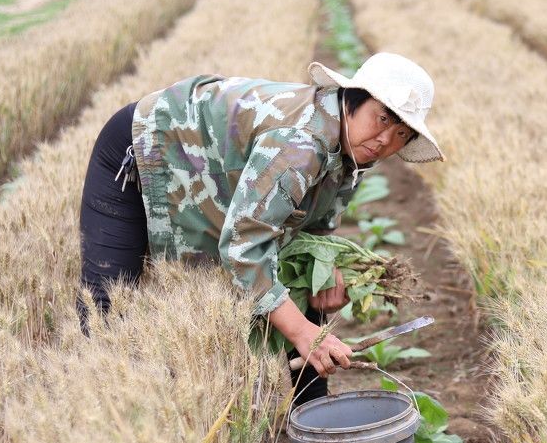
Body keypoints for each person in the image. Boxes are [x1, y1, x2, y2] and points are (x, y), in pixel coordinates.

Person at [77, 53, 444, 405]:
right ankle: (95, 407)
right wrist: (302, 333)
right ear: (352, 100)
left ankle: (313, 411)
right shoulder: (301, 144)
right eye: (382, 119)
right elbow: (242, 245)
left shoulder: (352, 150)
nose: (385, 141)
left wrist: (323, 267)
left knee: (300, 276)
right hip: (144, 144)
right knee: (109, 303)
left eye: (400, 134)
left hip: (202, 169)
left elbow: (306, 236)